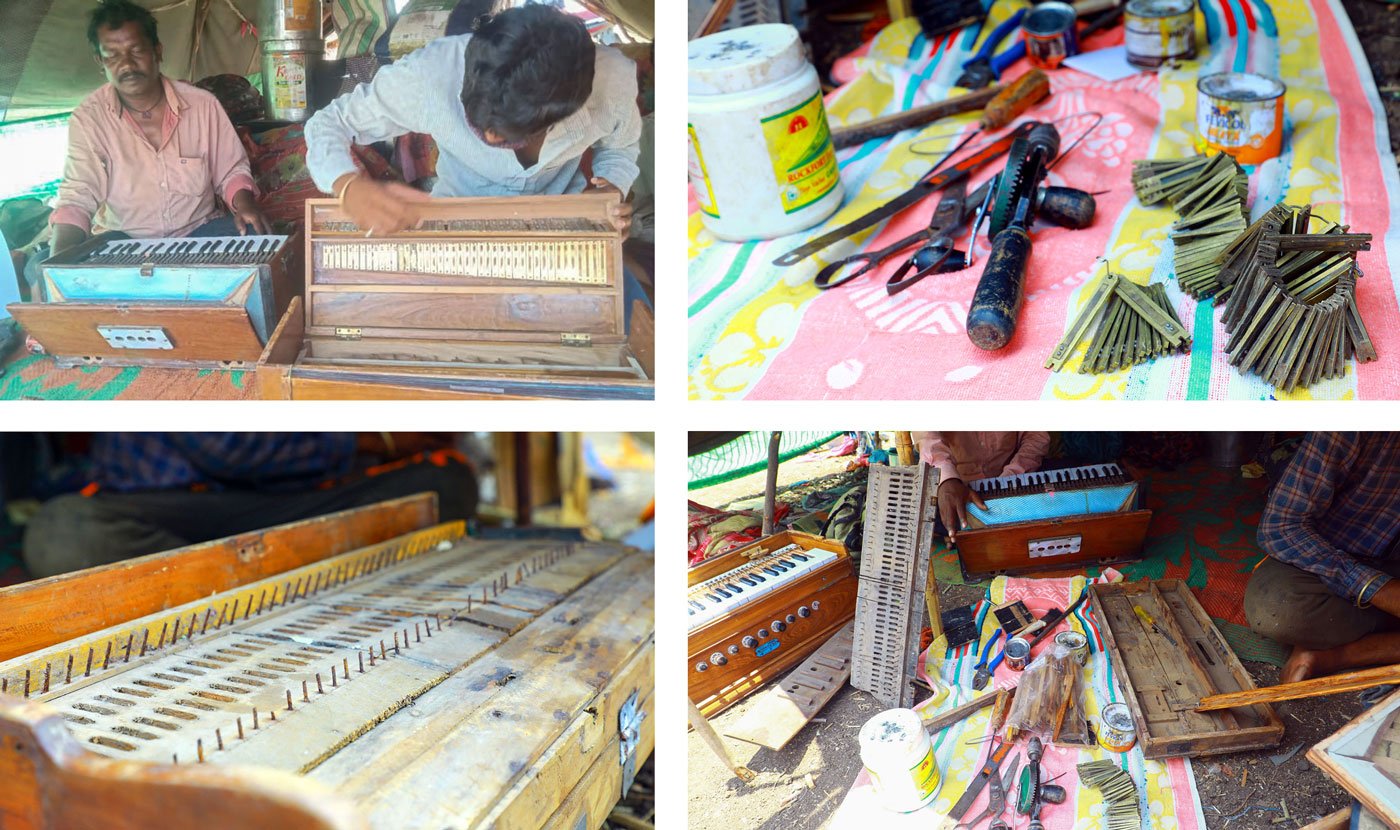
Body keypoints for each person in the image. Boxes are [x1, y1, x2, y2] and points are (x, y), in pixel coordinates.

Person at [304, 4, 639, 237]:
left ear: (565, 110)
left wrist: (609, 188)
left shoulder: (613, 82)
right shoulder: (432, 71)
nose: (489, 139)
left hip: (565, 225)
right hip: (455, 222)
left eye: (509, 135)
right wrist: (347, 186)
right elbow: (328, 123)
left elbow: (621, 147)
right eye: (476, 123)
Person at [23, 0, 268, 294]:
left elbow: (231, 171)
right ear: (100, 63)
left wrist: (245, 205)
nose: (125, 64)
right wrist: (57, 264)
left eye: (136, 51)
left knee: (257, 236)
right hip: (123, 242)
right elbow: (78, 197)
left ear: (157, 51)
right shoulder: (88, 119)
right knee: (42, 266)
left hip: (197, 234)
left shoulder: (202, 106)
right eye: (112, 55)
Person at [22, 433, 477, 578]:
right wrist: (380, 439)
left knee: (446, 481)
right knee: (63, 532)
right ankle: (292, 576)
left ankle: (256, 579)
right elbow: (228, 448)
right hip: (171, 510)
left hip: (289, 502)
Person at [1245, 432, 1400, 683]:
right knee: (1276, 609)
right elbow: (1281, 526)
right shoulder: (1356, 423)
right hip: (1331, 558)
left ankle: (1336, 655)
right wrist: (1380, 590)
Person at [915, 432, 1051, 540]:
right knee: (921, 518)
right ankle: (958, 533)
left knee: (1054, 489)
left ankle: (962, 535)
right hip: (959, 490)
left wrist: (1009, 478)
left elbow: (1036, 437)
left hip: (1013, 482)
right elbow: (928, 438)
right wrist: (946, 479)